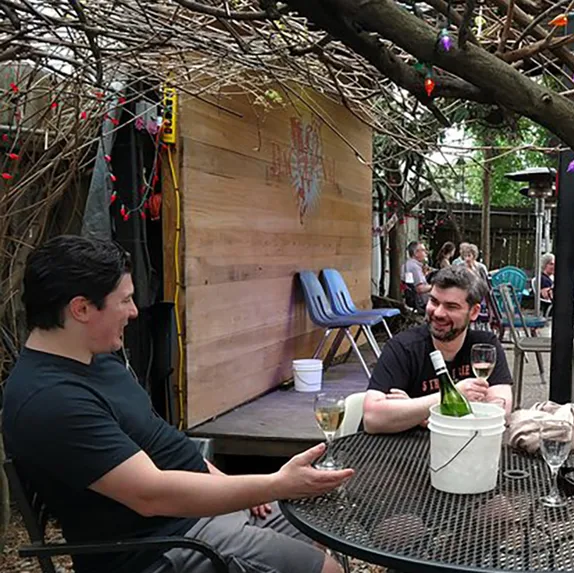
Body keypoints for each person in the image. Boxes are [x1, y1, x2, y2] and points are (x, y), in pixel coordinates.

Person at [2, 235, 352, 573]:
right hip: (162, 548)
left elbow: (159, 439)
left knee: (314, 535)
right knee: (328, 570)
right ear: (81, 309)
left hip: (196, 514)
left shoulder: (96, 359)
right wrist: (276, 483)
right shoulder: (50, 401)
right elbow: (150, 495)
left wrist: (236, 487)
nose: (134, 312)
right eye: (124, 301)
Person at [363, 265, 513, 433]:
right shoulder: (402, 347)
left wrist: (418, 411)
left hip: (463, 451)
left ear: (474, 312)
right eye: (434, 301)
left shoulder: (485, 347)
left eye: (451, 306)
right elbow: (372, 419)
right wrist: (452, 396)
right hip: (398, 452)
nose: (439, 313)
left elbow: (500, 411)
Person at [403, 240, 432, 308]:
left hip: (413, 299)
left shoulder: (407, 264)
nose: (426, 252)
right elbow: (420, 289)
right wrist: (435, 286)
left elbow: (411, 284)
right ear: (415, 253)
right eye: (423, 250)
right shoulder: (414, 267)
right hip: (421, 301)